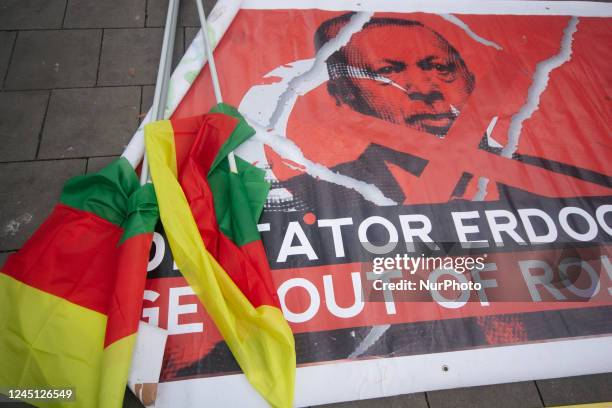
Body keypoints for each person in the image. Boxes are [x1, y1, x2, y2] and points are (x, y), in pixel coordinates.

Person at [317, 13, 475, 137]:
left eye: (438, 67)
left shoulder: (499, 162)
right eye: (387, 72)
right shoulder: (330, 177)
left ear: (470, 80)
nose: (427, 90)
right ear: (341, 94)